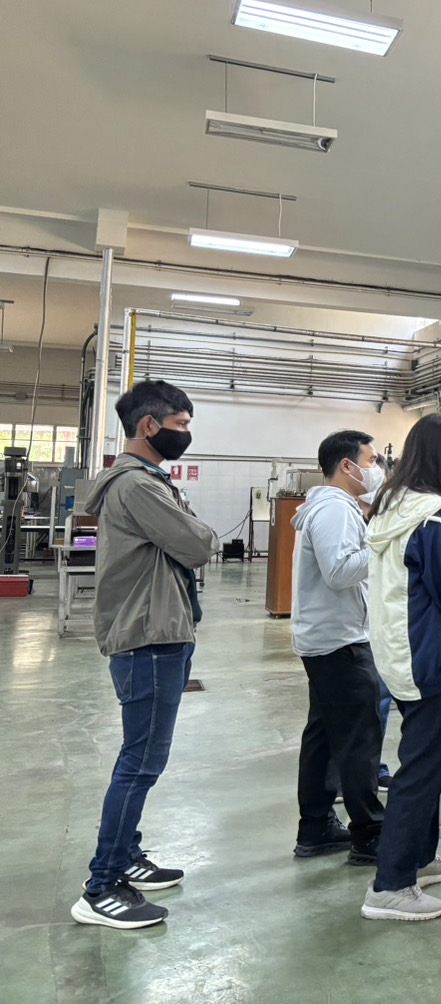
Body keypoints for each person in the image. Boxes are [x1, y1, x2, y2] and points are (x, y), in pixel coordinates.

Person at [70, 380, 218, 929]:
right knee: (141, 762)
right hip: (148, 637)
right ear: (149, 425)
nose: (186, 434)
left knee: (143, 758)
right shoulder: (137, 485)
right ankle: (103, 884)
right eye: (180, 425)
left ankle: (126, 854)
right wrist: (198, 531)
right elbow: (199, 544)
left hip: (158, 631)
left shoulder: (146, 481)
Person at [360, 414, 441, 922]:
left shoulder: (393, 505)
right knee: (422, 771)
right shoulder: (435, 519)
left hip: (400, 652)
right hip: (433, 659)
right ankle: (391, 885)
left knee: (423, 761)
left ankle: (420, 858)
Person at [291, 430, 386, 864]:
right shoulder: (334, 508)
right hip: (340, 641)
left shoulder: (334, 506)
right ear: (347, 466)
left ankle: (315, 827)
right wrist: (386, 546)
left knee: (326, 735)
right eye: (372, 460)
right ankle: (369, 833)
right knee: (360, 738)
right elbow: (340, 571)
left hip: (327, 637)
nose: (377, 468)